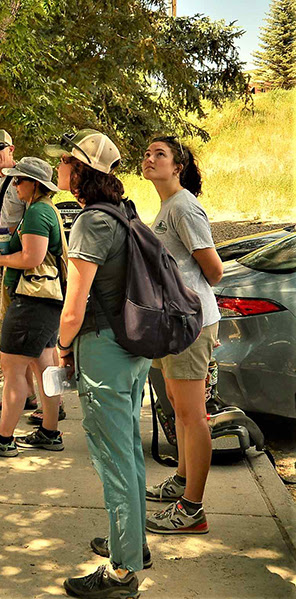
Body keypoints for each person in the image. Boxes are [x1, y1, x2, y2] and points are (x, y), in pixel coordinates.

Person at [50, 129, 150, 598]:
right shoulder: (125, 214)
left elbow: (74, 306)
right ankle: (132, 543)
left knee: (114, 459)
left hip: (103, 349)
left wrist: (62, 348)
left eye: (65, 161)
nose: (59, 168)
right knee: (128, 449)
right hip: (133, 348)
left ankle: (121, 572)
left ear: (80, 173)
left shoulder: (91, 222)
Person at [142, 136, 223, 535]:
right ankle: (180, 481)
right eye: (147, 153)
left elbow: (215, 270)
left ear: (178, 166)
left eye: (161, 154)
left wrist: (185, 296)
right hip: (175, 322)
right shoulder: (167, 206)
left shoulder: (184, 206)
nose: (150, 159)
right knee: (178, 405)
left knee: (193, 416)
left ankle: (192, 509)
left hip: (190, 322)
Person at [0, 157, 66, 456]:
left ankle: (4, 437)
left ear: (34, 184)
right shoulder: (47, 210)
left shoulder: (36, 213)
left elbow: (32, 258)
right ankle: (50, 431)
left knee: (12, 367)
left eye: (19, 180)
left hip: (32, 299)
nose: (14, 185)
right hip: (49, 301)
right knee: (46, 365)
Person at [0, 129, 42, 414]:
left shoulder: (23, 180)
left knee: (37, 336)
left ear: (11, 148)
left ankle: (50, 404)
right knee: (12, 328)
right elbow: (6, 217)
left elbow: (33, 219)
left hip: (27, 264)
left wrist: (1, 235)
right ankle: (26, 394)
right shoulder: (0, 183)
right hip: (9, 262)